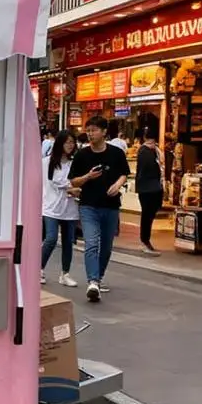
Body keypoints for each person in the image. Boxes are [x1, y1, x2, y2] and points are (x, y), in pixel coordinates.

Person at [68, 115, 130, 303]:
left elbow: (124, 174)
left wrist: (117, 185)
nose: (90, 134)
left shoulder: (116, 153)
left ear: (104, 132)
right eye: (88, 130)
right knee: (92, 243)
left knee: (106, 247)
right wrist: (87, 177)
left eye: (94, 130)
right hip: (88, 206)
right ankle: (93, 282)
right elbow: (73, 180)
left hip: (111, 207)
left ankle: (99, 276)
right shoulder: (82, 155)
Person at [41, 130, 79, 287]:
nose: (70, 145)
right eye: (67, 142)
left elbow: (77, 182)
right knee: (50, 238)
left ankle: (65, 273)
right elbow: (54, 182)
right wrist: (71, 187)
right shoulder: (47, 162)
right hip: (50, 206)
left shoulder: (74, 162)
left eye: (72, 142)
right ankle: (39, 268)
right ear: (60, 143)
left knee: (68, 242)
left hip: (70, 208)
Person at [135, 125, 165, 256]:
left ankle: (145, 240)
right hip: (148, 188)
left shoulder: (155, 151)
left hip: (153, 187)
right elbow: (145, 171)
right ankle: (145, 241)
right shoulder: (145, 151)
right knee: (147, 215)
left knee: (150, 215)